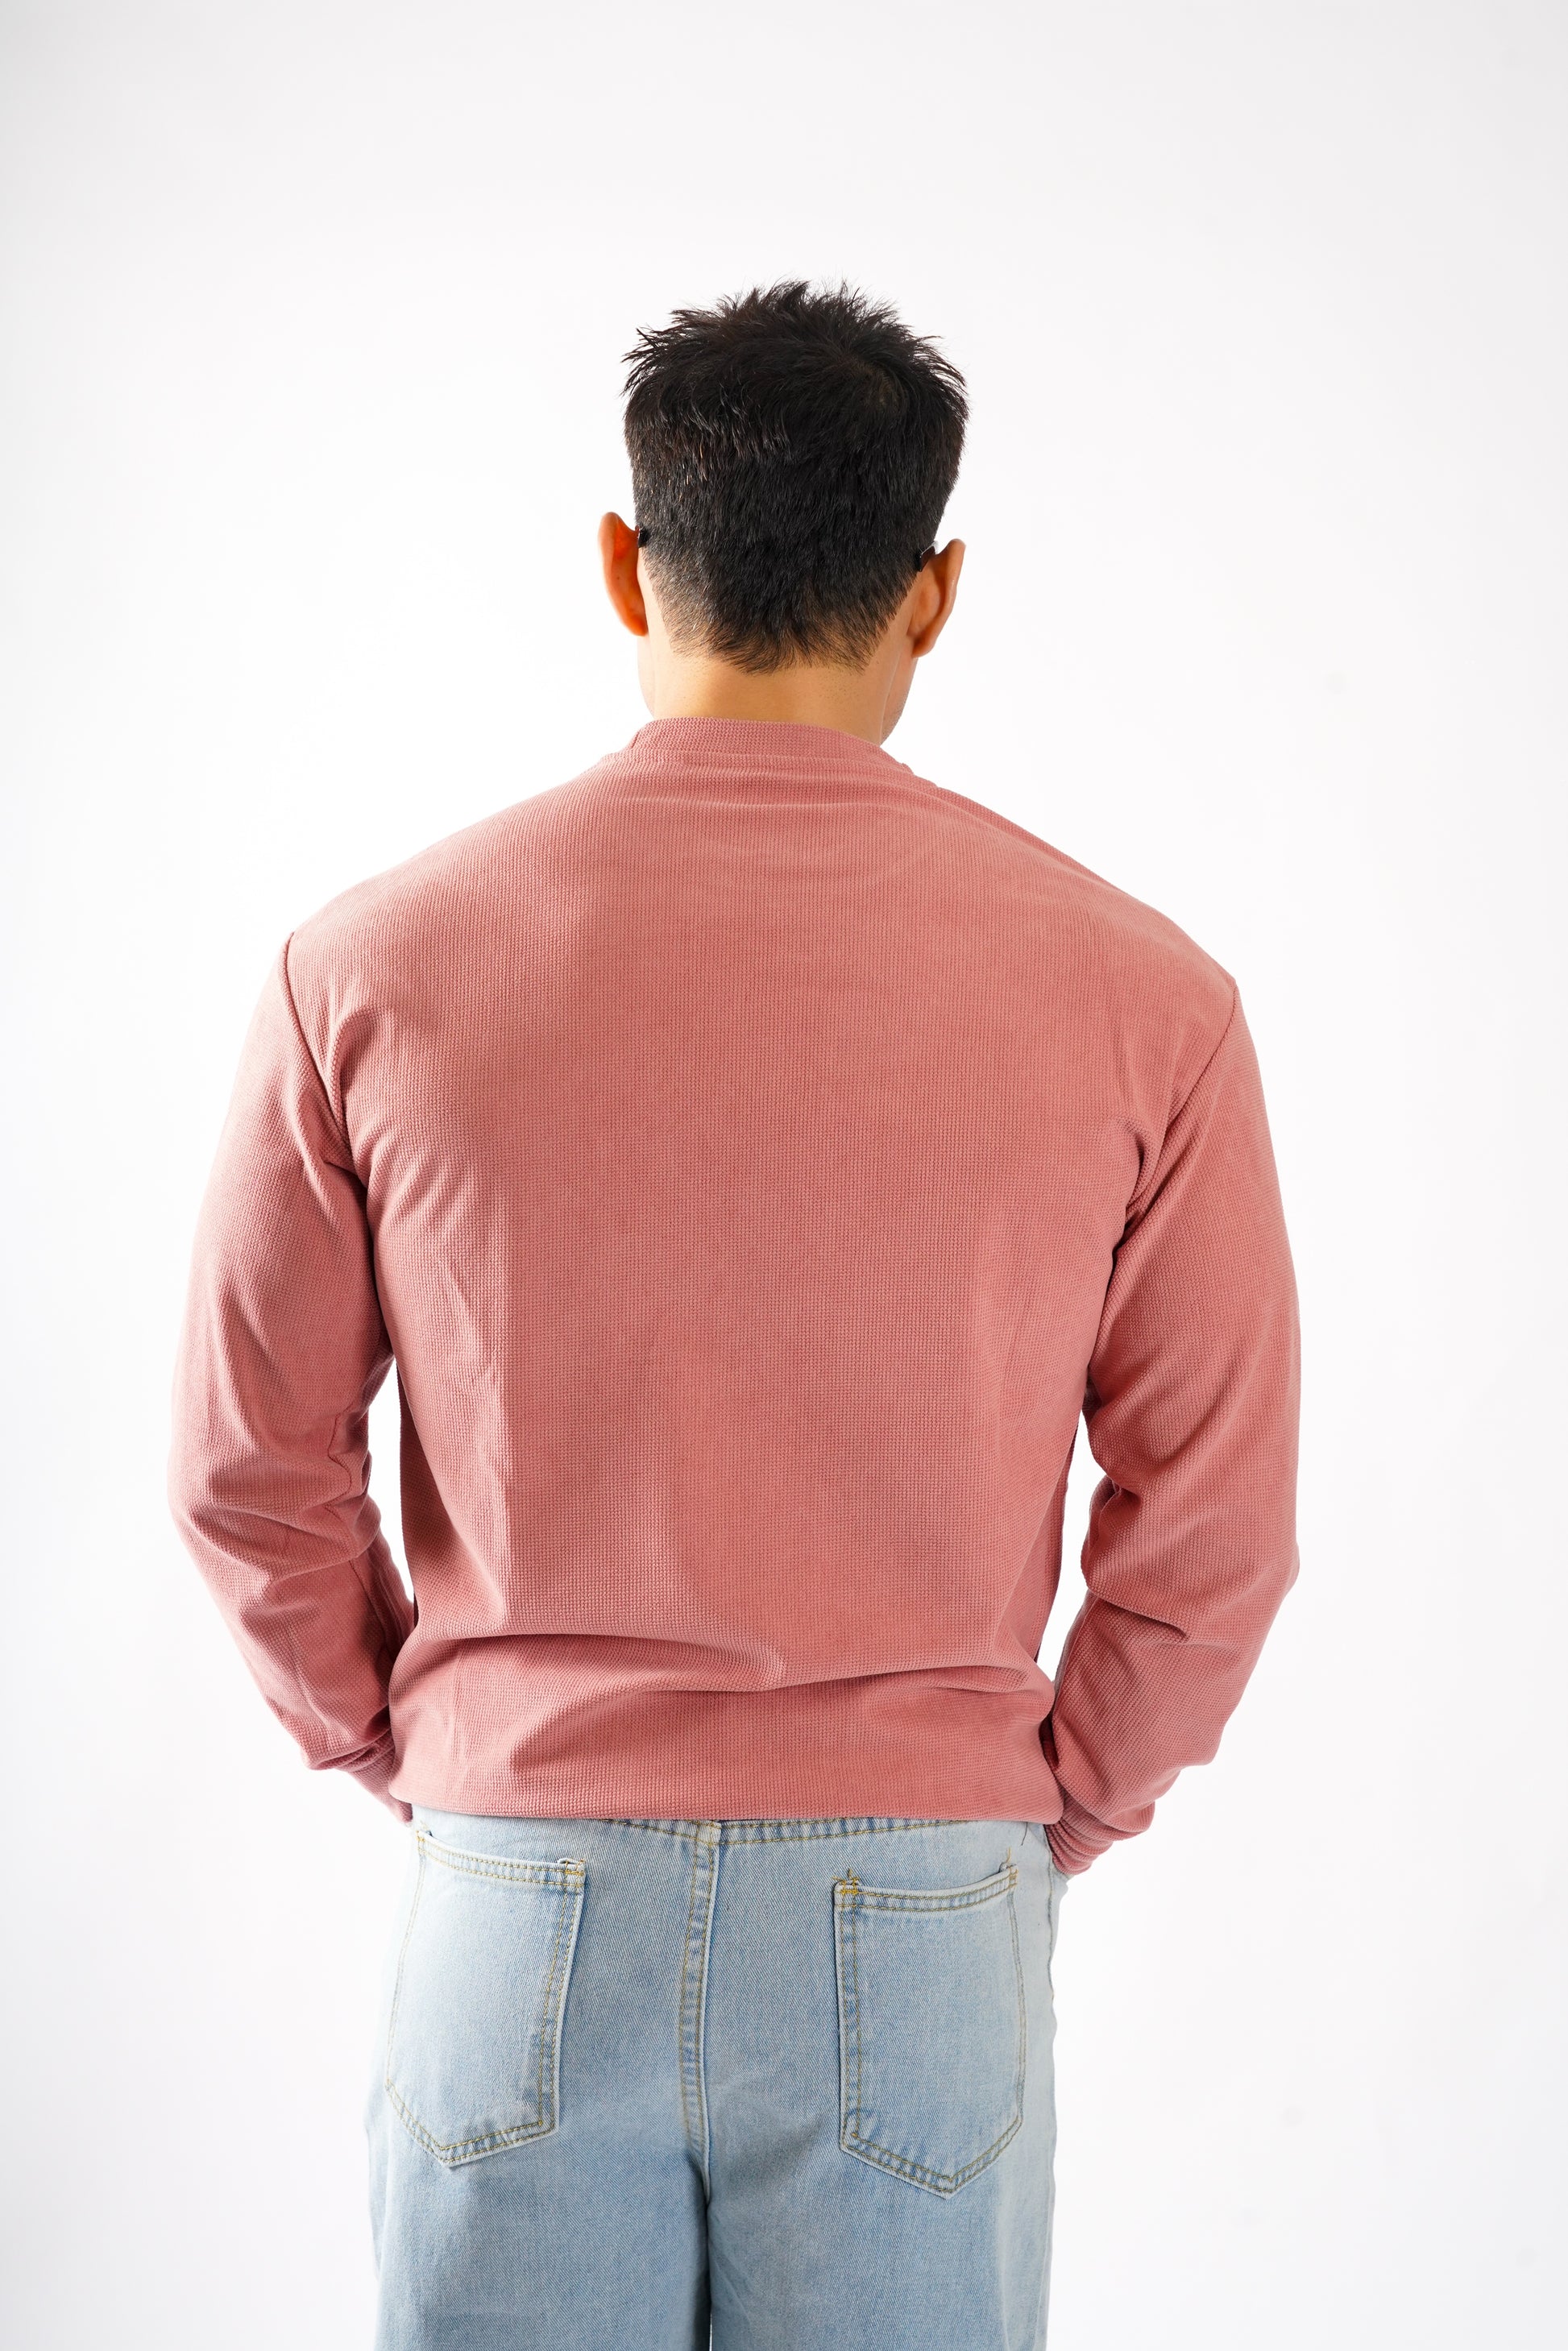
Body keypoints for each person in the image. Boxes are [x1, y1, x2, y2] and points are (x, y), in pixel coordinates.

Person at [169, 280, 1300, 2350]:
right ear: (933, 595)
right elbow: (1211, 1527)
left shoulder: (368, 970)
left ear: (626, 564)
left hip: (517, 1881)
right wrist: (1042, 1807)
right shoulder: (1147, 1001)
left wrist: (421, 1748)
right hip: (927, 1897)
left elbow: (248, 1472)